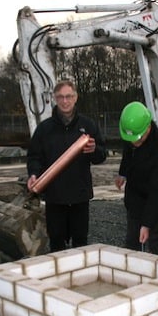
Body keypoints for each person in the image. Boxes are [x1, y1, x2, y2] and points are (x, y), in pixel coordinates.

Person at [26, 80, 107, 252]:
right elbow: (34, 156)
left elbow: (101, 155)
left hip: (80, 197)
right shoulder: (44, 129)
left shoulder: (88, 125)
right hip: (55, 197)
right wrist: (33, 173)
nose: (65, 101)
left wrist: (94, 150)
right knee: (56, 244)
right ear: (55, 99)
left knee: (80, 245)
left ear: (76, 97)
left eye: (69, 96)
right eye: (61, 97)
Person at [115, 101, 158, 255]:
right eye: (131, 139)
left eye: (138, 139)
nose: (134, 142)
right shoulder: (131, 133)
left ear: (148, 128)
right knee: (132, 243)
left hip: (154, 201)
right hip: (134, 197)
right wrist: (123, 172)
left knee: (156, 246)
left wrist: (147, 224)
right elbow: (128, 154)